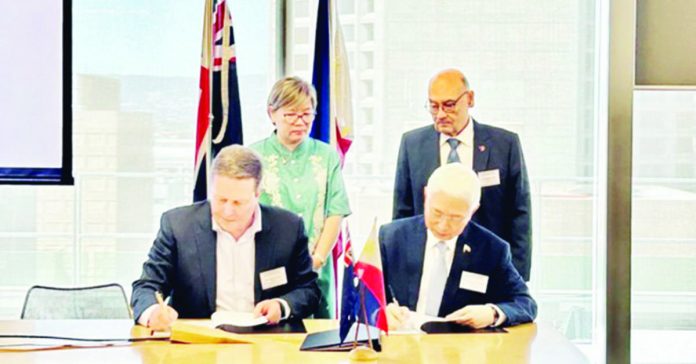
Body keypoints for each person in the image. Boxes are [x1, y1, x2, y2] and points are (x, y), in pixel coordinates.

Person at [131, 145, 320, 330]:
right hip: (199, 342)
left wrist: (281, 305)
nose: (228, 211)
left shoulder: (288, 228)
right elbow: (146, 286)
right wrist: (153, 312)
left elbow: (308, 290)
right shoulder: (179, 226)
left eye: (238, 202)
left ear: (257, 194)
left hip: (267, 339)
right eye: (221, 200)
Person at [392, 68, 533, 280]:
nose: (440, 114)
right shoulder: (412, 145)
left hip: (487, 267)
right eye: (433, 106)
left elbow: (519, 215)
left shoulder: (505, 145)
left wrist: (517, 278)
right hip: (429, 268)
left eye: (449, 105)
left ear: (470, 99)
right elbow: (402, 213)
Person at [381, 163, 536, 330]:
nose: (443, 225)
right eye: (437, 213)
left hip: (459, 348)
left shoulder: (491, 250)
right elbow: (360, 297)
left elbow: (525, 303)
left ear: (473, 210)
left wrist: (491, 313)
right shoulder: (391, 237)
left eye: (456, 217)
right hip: (403, 344)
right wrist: (380, 312)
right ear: (426, 196)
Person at [250, 76, 351, 318]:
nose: (300, 122)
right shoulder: (253, 156)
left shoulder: (326, 156)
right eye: (291, 114)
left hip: (315, 267)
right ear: (272, 113)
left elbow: (335, 211)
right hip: (266, 268)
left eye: (306, 114)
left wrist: (316, 259)